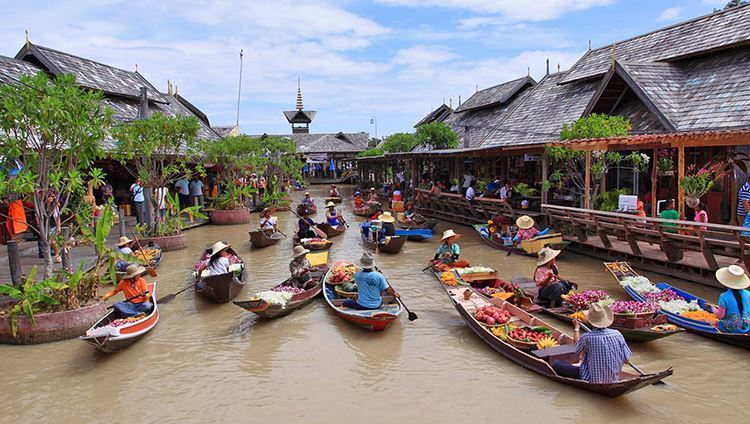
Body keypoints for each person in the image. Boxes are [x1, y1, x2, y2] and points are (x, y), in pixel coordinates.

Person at [551, 303, 632, 384]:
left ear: (590, 321)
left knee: (556, 363)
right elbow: (626, 360)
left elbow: (577, 349)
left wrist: (576, 328)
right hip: (614, 378)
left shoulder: (587, 337)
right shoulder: (618, 334)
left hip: (591, 378)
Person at [712, 265, 750, 333]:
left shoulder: (724, 297)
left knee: (715, 322)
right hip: (748, 326)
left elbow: (720, 316)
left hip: (731, 328)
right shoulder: (748, 294)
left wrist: (712, 308)